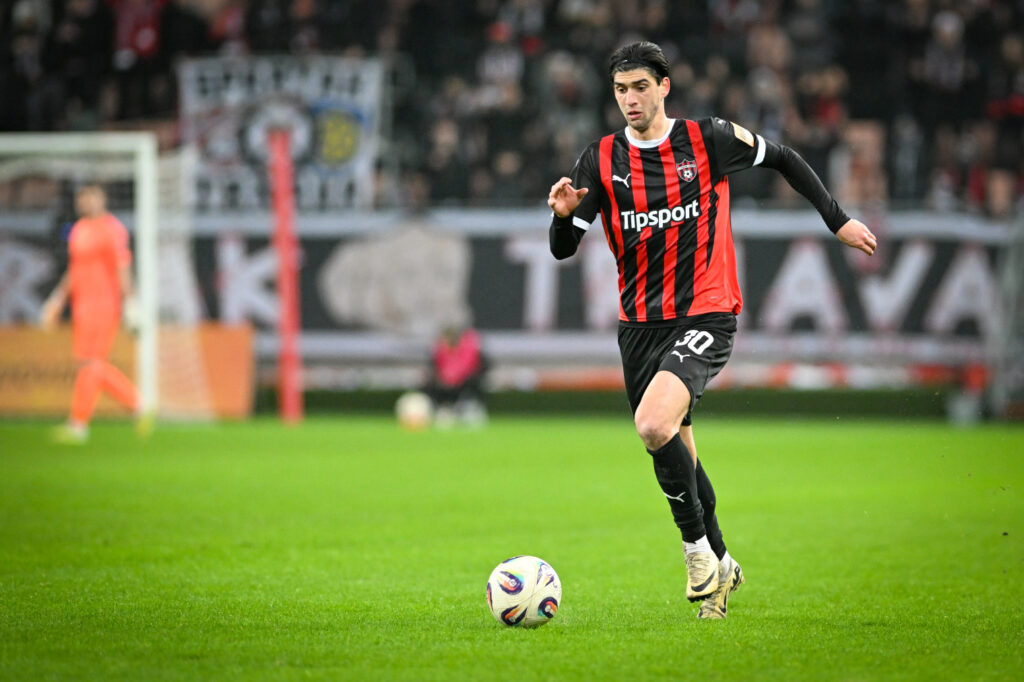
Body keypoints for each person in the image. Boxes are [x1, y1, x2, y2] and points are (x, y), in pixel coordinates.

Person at [546, 41, 876, 619]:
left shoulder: (708, 139)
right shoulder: (599, 159)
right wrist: (562, 216)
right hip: (639, 326)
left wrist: (838, 219)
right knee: (678, 449)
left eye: (640, 87)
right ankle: (723, 562)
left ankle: (697, 553)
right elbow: (562, 249)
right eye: (621, 90)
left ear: (664, 86)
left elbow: (783, 157)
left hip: (707, 310)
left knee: (653, 424)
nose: (630, 99)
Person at [40, 185, 146, 443]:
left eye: (92, 197)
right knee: (90, 364)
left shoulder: (112, 229)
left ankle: (79, 423)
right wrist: (57, 300)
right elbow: (74, 270)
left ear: (103, 199)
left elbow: (122, 266)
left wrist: (131, 302)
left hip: (104, 304)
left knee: (90, 362)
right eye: (83, 198)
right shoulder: (78, 230)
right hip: (82, 306)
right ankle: (136, 403)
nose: (87, 202)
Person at [425, 326, 488, 426]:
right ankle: (443, 409)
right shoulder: (440, 352)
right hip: (446, 384)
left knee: (474, 383)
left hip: (465, 383)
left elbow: (475, 368)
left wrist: (456, 377)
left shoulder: (469, 350)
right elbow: (435, 369)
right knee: (432, 385)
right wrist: (444, 378)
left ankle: (471, 409)